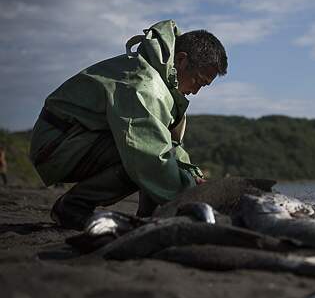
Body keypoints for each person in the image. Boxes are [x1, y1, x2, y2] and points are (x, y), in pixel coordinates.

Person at [30, 20, 227, 230]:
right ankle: (73, 207)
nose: (196, 91)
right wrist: (188, 199)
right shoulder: (144, 84)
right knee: (143, 155)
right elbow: (149, 154)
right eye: (198, 80)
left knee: (158, 154)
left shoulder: (158, 78)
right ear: (181, 60)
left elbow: (166, 143)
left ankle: (150, 217)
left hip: (78, 138)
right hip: (55, 146)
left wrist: (193, 176)